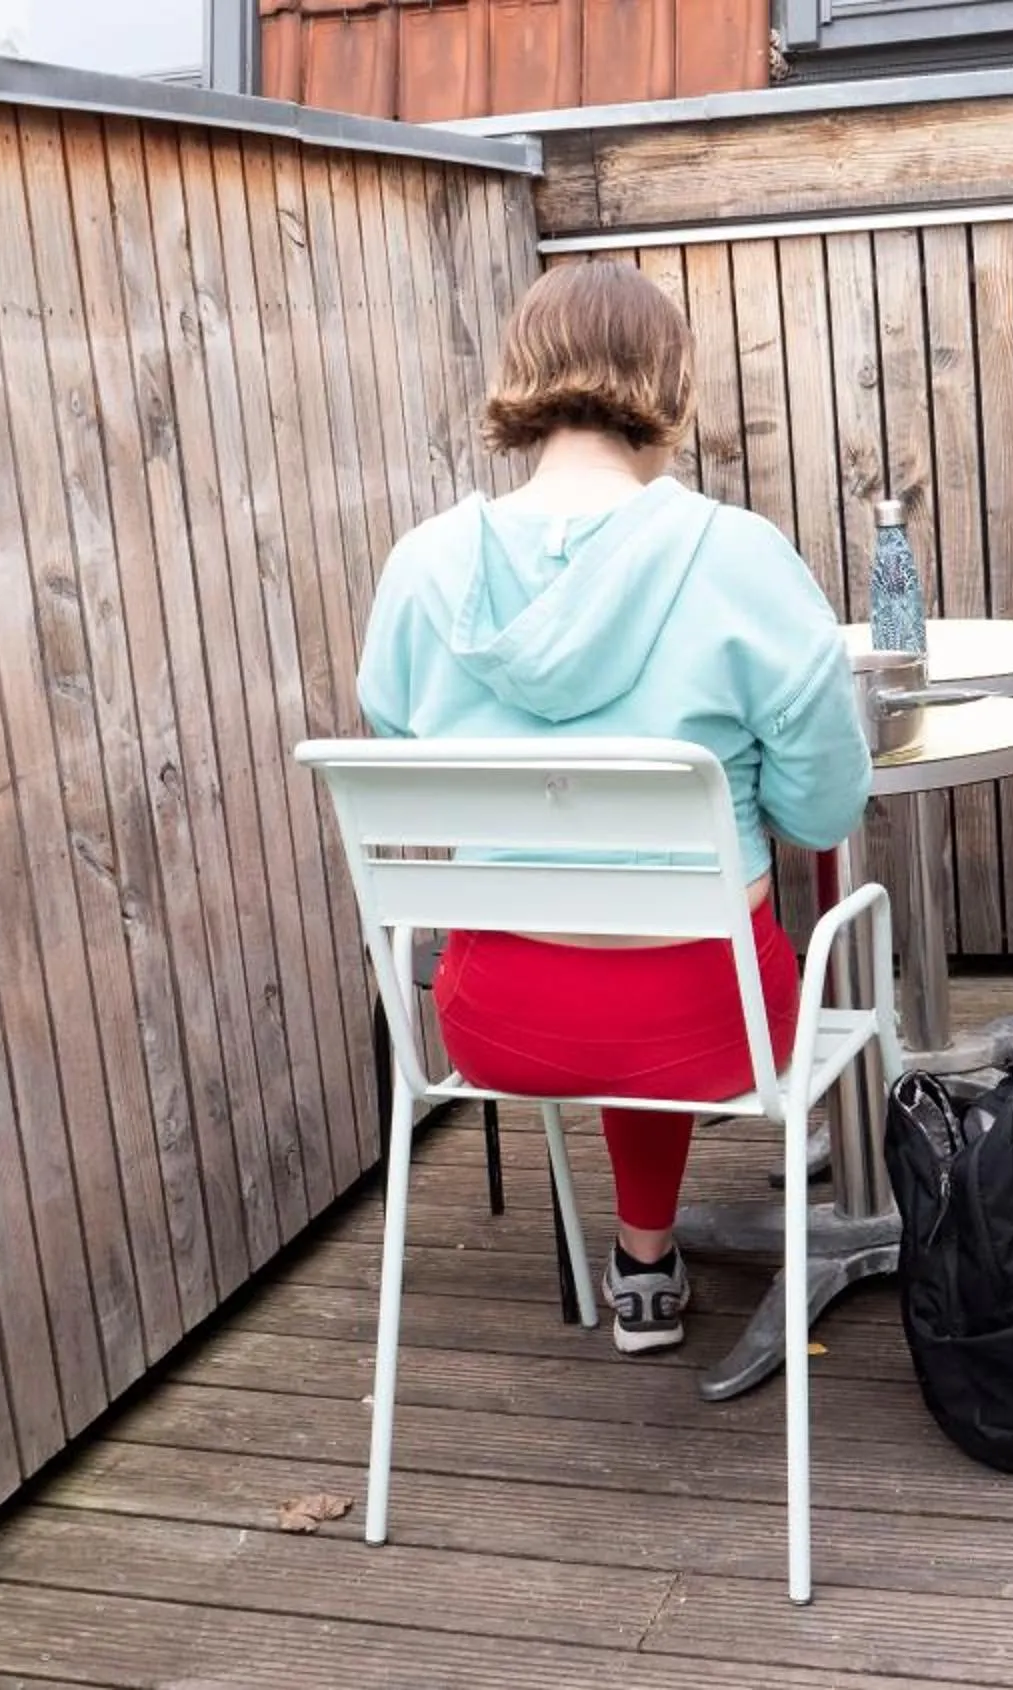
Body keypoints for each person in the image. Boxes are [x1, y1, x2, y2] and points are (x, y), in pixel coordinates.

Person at [354, 261, 873, 1355]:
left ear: (524, 381)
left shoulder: (421, 568)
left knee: (607, 941)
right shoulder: (740, 558)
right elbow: (823, 809)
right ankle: (645, 1256)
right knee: (687, 937)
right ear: (671, 386)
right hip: (712, 1018)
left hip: (492, 1020)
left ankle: (644, 1262)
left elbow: (406, 758)